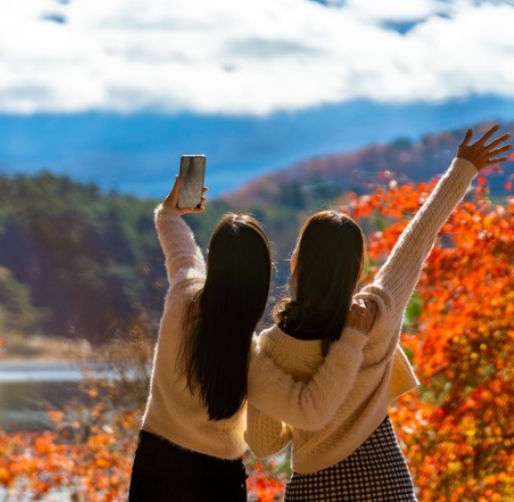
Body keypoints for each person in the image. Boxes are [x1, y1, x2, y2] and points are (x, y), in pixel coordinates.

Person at [245, 125, 512, 501]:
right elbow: (418, 240)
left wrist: (298, 410)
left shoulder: (272, 346)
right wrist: (463, 168)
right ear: (357, 268)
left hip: (315, 489)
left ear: (299, 262)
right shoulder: (375, 312)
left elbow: (264, 444)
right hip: (384, 478)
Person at [128, 176, 377, 501]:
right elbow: (311, 411)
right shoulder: (250, 358)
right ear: (262, 280)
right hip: (215, 482)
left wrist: (170, 211)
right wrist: (352, 341)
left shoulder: (184, 294)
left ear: (213, 260)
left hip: (154, 465)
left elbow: (180, 247)